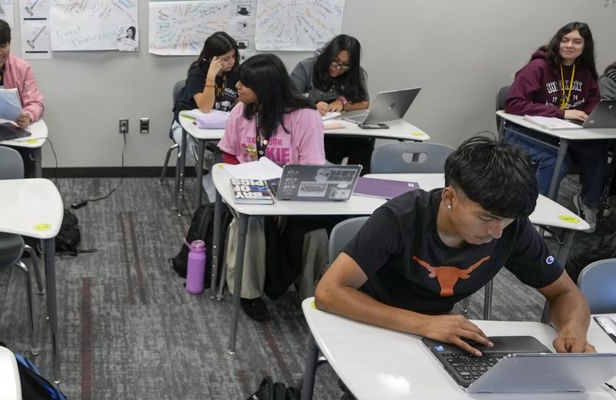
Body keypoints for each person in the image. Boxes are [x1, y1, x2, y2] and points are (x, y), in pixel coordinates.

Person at [315, 136, 594, 359]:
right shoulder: (400, 218)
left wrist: (573, 329)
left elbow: (565, 292)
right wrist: (423, 323)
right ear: (449, 197)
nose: (497, 232)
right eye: (487, 218)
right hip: (368, 322)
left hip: (435, 333)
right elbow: (330, 292)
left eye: (506, 221)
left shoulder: (513, 227)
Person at [218, 54, 324, 321]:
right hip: (250, 191)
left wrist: (285, 204)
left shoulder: (305, 117)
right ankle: (248, 293)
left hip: (294, 195)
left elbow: (310, 170)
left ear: (267, 88)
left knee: (317, 232)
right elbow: (229, 155)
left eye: (246, 83)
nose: (238, 87)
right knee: (249, 224)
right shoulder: (240, 111)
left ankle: (313, 297)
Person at [503, 22, 606, 231]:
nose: (569, 45)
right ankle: (534, 217)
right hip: (526, 132)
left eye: (577, 42)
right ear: (557, 42)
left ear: (585, 46)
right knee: (556, 159)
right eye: (565, 40)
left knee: (597, 151)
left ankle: (588, 204)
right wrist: (561, 113)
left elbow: (593, 101)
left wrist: (591, 116)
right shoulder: (538, 67)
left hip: (566, 133)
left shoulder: (585, 71)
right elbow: (513, 103)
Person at [290, 34, 373, 172]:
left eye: (345, 65)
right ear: (327, 56)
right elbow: (289, 98)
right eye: (335, 62)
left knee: (364, 146)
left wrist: (343, 104)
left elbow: (364, 103)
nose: (338, 68)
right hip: (312, 131)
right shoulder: (306, 67)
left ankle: (359, 186)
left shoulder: (355, 73)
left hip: (342, 131)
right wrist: (312, 105)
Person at [170, 31, 241, 163]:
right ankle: (208, 175)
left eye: (233, 56)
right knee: (204, 158)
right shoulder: (197, 72)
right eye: (226, 59)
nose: (231, 62)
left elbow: (239, 104)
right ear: (211, 59)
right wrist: (211, 77)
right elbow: (205, 107)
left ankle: (215, 173)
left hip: (221, 126)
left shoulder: (235, 72)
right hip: (188, 125)